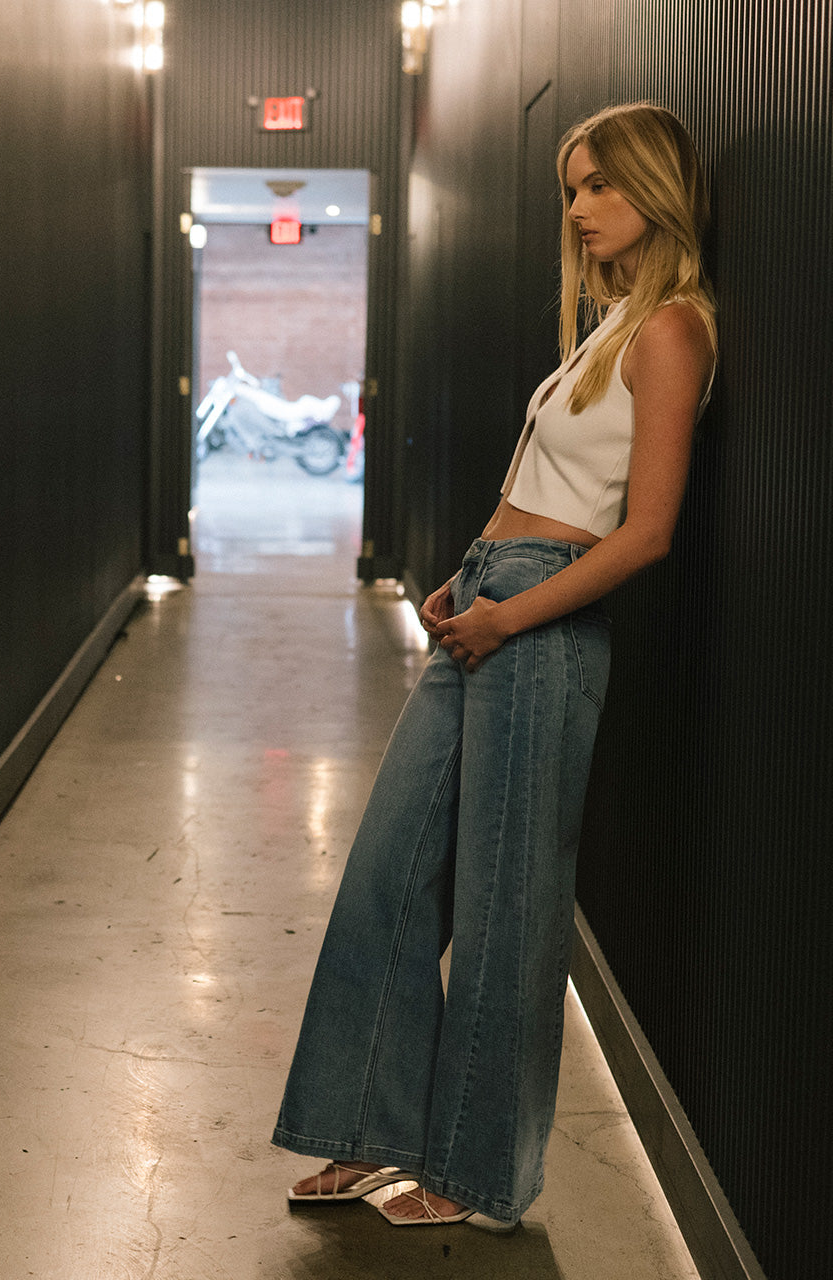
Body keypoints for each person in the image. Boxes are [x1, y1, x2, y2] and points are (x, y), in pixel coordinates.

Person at [272, 102, 717, 1228]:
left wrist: (509, 617)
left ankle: (475, 1178)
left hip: (540, 628)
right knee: (389, 867)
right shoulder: (606, 323)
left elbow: (645, 529)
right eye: (568, 187)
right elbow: (544, 480)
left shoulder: (670, 329)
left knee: (505, 905)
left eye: (597, 186)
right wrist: (467, 578)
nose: (574, 208)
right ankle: (367, 1131)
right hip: (489, 594)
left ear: (652, 192)